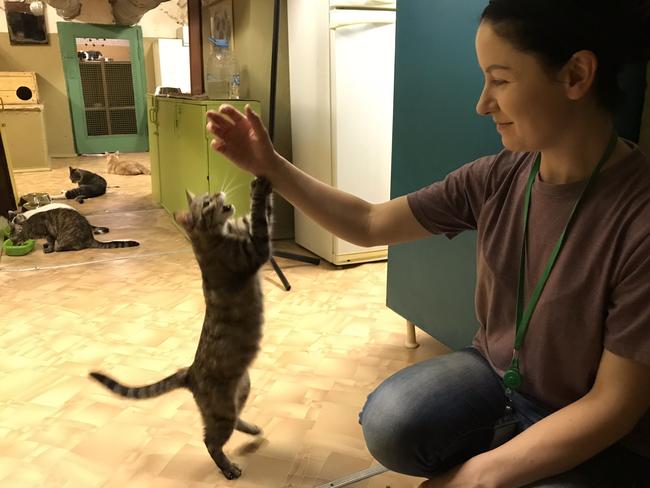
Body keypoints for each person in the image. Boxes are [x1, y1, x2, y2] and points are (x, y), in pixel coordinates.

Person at [205, 1, 650, 485]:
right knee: (392, 420)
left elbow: (614, 405)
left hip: (594, 423)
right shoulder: (497, 177)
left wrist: (477, 477)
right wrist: (272, 167)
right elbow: (370, 222)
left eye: (500, 80)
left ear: (576, 76)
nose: (482, 103)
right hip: (500, 378)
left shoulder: (638, 216)